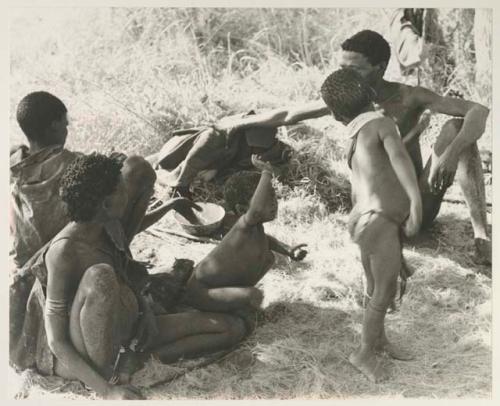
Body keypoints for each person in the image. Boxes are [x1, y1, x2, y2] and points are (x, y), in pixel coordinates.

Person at [12, 153, 247, 400]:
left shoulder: (109, 226)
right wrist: (108, 391)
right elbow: (56, 341)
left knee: (231, 328)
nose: (129, 194)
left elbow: (125, 274)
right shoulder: (64, 252)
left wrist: (144, 310)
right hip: (83, 351)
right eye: (122, 189)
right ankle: (111, 372)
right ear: (104, 203)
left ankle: (135, 361)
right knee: (100, 277)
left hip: (123, 328)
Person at [338, 30, 491, 265]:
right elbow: (287, 114)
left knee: (456, 127)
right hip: (374, 217)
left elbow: (478, 110)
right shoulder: (343, 98)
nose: (345, 76)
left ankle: (482, 237)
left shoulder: (408, 97)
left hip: (416, 206)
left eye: (355, 69)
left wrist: (452, 153)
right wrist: (258, 122)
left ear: (379, 68)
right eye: (342, 68)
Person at [321, 68, 422, 383]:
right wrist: (416, 201)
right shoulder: (382, 124)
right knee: (384, 291)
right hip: (379, 221)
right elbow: (400, 159)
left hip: (365, 220)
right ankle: (364, 352)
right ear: (371, 93)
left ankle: (378, 340)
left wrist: (413, 134)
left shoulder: (357, 135)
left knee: (372, 286)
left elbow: (370, 174)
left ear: (338, 114)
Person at [182, 155, 308, 326]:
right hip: (201, 292)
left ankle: (236, 304)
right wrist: (266, 173)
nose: (273, 204)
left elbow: (266, 240)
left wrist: (288, 250)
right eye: (266, 200)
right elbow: (255, 212)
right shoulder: (242, 226)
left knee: (268, 256)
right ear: (242, 209)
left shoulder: (255, 229)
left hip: (220, 286)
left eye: (273, 197)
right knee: (254, 295)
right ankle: (239, 309)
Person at [149, 106, 330, 198]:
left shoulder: (268, 145)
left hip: (217, 165)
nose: (259, 152)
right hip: (179, 154)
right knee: (160, 167)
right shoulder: (218, 136)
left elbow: (284, 168)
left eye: (262, 149)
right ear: (246, 139)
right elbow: (192, 162)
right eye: (255, 149)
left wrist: (267, 169)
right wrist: (182, 190)